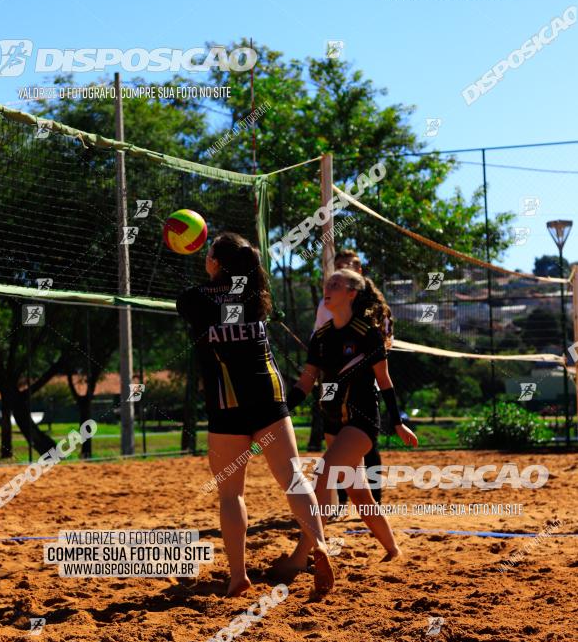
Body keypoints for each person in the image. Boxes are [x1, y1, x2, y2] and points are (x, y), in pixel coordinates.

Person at [176, 231, 334, 598]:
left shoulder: (193, 299)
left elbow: (195, 299)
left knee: (231, 494)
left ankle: (238, 577)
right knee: (293, 476)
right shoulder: (256, 296)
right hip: (268, 398)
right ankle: (320, 544)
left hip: (226, 403)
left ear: (214, 262)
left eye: (209, 254)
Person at [284, 268, 417, 572]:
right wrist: (281, 408)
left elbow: (384, 381)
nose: (327, 288)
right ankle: (393, 549)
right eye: (327, 283)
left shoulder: (367, 334)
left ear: (352, 293)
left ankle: (305, 552)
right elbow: (305, 383)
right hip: (333, 422)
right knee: (359, 494)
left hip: (361, 421)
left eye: (335, 284)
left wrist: (397, 422)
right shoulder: (320, 337)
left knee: (324, 472)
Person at [313, 250, 394, 508]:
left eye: (351, 265)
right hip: (330, 381)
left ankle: (374, 497)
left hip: (361, 379)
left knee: (364, 441)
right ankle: (341, 501)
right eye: (339, 266)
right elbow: (320, 336)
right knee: (333, 434)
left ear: (359, 273)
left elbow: (385, 341)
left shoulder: (373, 306)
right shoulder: (326, 303)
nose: (345, 268)